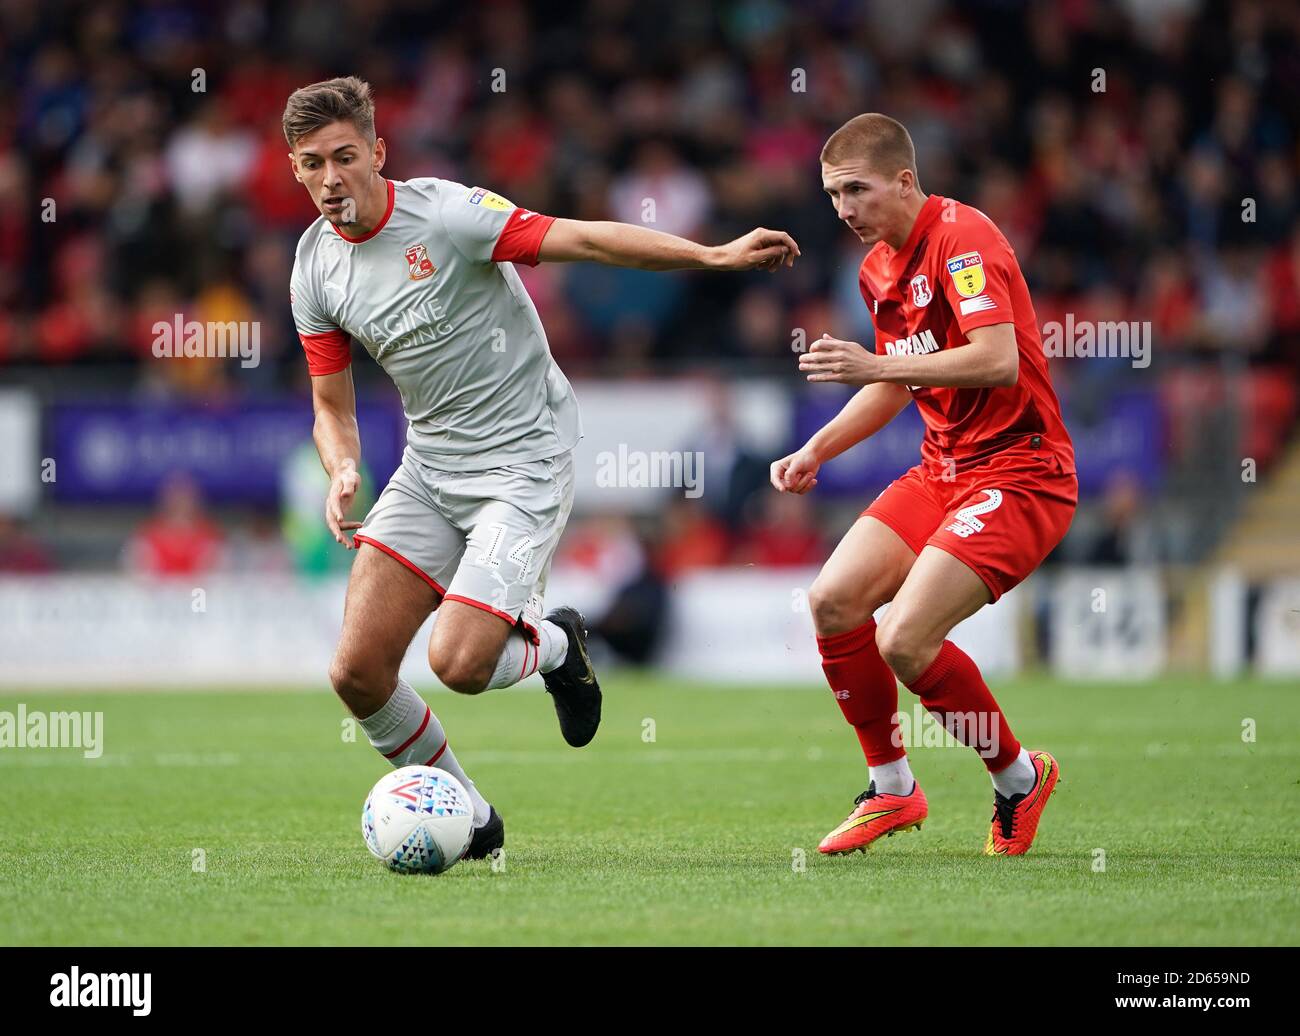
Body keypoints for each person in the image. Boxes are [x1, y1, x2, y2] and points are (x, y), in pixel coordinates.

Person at [286, 77, 800, 861]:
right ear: (295, 170)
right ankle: (476, 823)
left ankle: (557, 647)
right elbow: (331, 405)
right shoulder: (315, 268)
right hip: (430, 469)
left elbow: (587, 239)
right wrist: (343, 466)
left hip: (524, 461)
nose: (330, 179)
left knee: (457, 662)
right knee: (356, 673)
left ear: (378, 154)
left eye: (345, 157)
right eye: (311, 164)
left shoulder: (449, 216)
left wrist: (712, 253)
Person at [771, 114, 1076, 857]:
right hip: (943, 467)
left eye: (856, 190)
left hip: (1020, 471)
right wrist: (816, 448)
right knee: (832, 602)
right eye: (832, 194)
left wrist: (874, 367)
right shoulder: (877, 266)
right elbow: (899, 379)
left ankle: (1017, 778)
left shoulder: (964, 241)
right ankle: (893, 787)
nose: (843, 208)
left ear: (905, 182)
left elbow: (996, 359)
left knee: (905, 638)